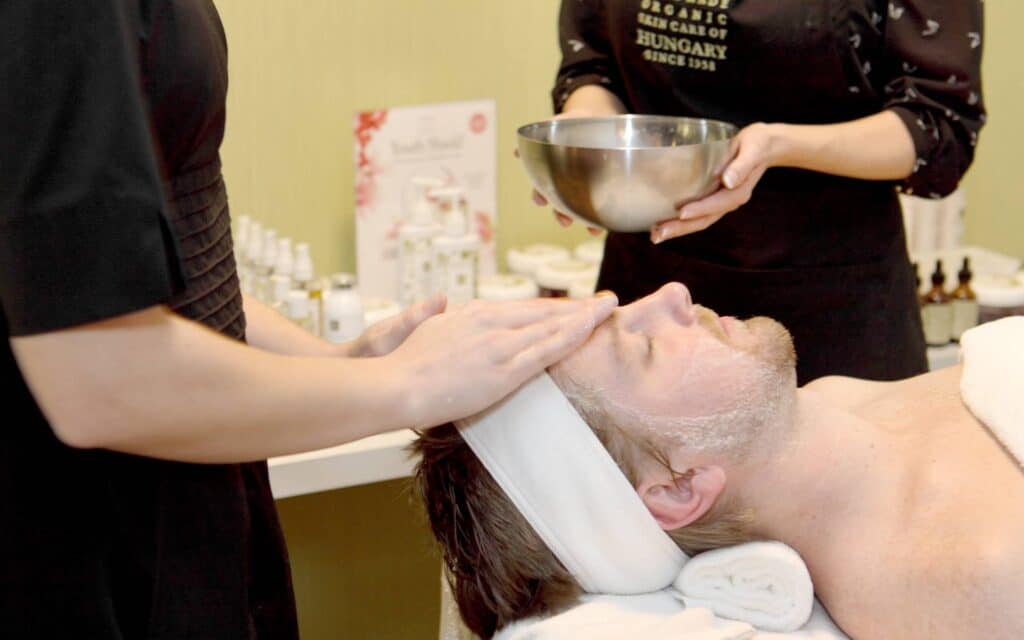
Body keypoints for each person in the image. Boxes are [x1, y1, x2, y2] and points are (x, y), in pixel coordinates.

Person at [0, 2, 617, 637]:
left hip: (189, 488)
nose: (674, 303)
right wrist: (409, 382)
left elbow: (122, 260)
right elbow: (97, 372)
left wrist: (333, 363)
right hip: (86, 537)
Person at [415, 283, 1024, 639]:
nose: (674, 295)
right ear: (679, 488)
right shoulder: (973, 573)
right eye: (645, 348)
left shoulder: (839, 401)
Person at [535, 0, 986, 384]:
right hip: (648, 294)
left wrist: (777, 147)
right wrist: (583, 140)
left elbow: (937, 128)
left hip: (829, 306)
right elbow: (592, 67)